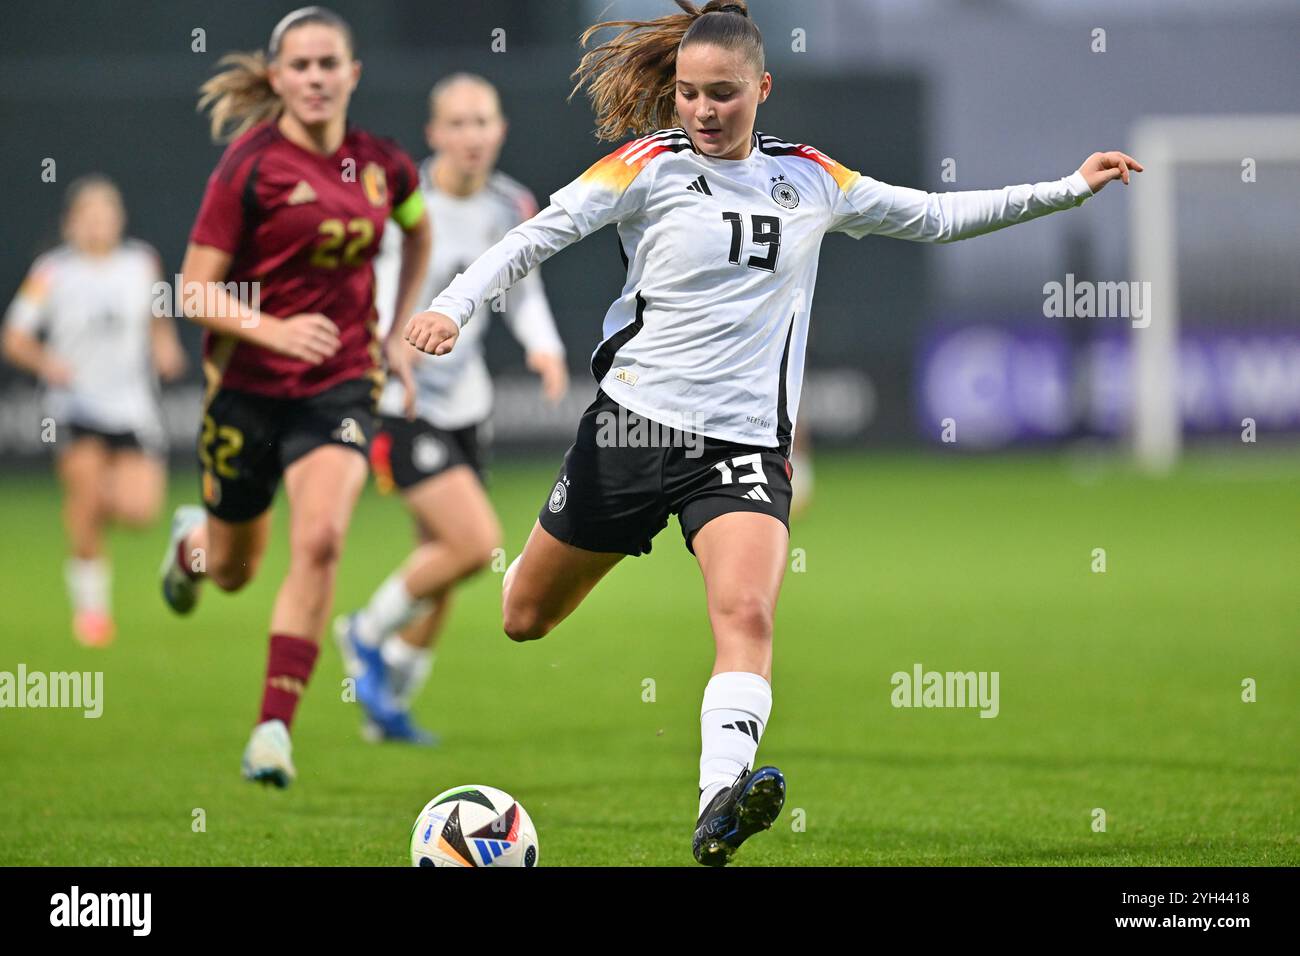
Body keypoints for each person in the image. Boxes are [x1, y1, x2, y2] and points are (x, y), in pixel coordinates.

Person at [402, 0, 1141, 864]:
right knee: (523, 615)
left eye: (722, 94)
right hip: (633, 433)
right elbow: (529, 239)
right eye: (686, 94)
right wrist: (450, 308)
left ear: (763, 86)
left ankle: (719, 801)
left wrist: (1068, 188)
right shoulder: (645, 167)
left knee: (746, 612)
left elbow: (935, 216)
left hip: (746, 448)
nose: (704, 112)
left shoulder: (813, 178)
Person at [157, 6, 431, 788]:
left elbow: (417, 230)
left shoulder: (384, 165)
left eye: (329, 63)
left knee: (319, 542)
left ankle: (273, 728)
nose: (316, 78)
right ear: (277, 77)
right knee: (233, 569)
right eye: (301, 66)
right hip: (246, 390)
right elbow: (194, 292)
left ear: (353, 74)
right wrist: (274, 331)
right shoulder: (249, 167)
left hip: (340, 385)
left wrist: (397, 323)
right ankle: (191, 547)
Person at [335, 72, 569, 745]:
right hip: (402, 401)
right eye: (457, 124)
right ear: (434, 134)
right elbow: (372, 286)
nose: (472, 136)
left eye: (483, 121)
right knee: (474, 545)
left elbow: (523, 287)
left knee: (436, 559)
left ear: (500, 129)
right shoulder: (405, 203)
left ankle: (388, 709)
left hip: (468, 405)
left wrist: (544, 348)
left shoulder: (510, 202)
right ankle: (364, 630)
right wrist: (386, 343)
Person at [3, 175, 186, 647]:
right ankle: (92, 612)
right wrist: (48, 363)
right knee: (84, 495)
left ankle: (94, 518)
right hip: (73, 406)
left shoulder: (141, 262)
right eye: (88, 217)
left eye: (106, 216)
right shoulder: (52, 272)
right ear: (70, 224)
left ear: (119, 220)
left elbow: (157, 321)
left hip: (131, 407)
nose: (97, 225)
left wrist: (165, 350)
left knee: (140, 510)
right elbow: (15, 338)